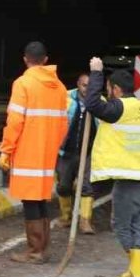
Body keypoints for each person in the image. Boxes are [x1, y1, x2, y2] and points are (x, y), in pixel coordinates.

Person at [84, 58, 140, 277]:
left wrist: (96, 73)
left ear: (117, 90)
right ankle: (138, 273)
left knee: (120, 225)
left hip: (131, 178)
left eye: (109, 89)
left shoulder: (120, 108)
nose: (108, 94)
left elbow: (92, 104)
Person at [0, 41, 69, 264]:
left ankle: (35, 251)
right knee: (40, 200)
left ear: (25, 59)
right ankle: (42, 248)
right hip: (48, 154)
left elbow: (15, 121)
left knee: (30, 201)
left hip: (27, 153)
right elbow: (64, 124)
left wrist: (6, 150)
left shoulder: (23, 83)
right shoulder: (59, 87)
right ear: (45, 60)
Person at [57, 73, 97, 234]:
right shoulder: (65, 98)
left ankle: (85, 221)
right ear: (78, 84)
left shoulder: (98, 103)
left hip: (87, 152)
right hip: (66, 151)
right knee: (64, 185)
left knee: (87, 186)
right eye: (84, 85)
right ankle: (66, 217)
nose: (87, 89)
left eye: (90, 86)